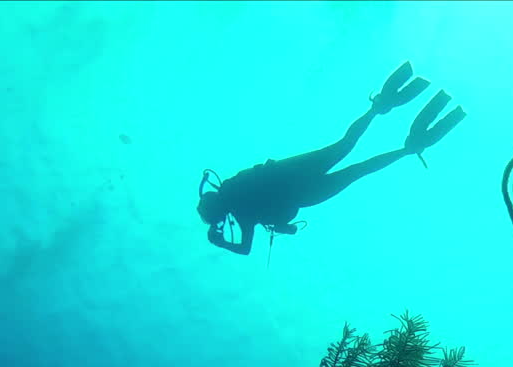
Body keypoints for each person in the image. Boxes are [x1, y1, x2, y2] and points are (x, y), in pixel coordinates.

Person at [197, 61, 467, 258]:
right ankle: (379, 107)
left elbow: (245, 249)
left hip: (302, 192)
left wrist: (221, 243)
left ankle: (406, 148)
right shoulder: (235, 193)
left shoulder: (243, 212)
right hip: (292, 174)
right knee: (345, 147)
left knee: (356, 169)